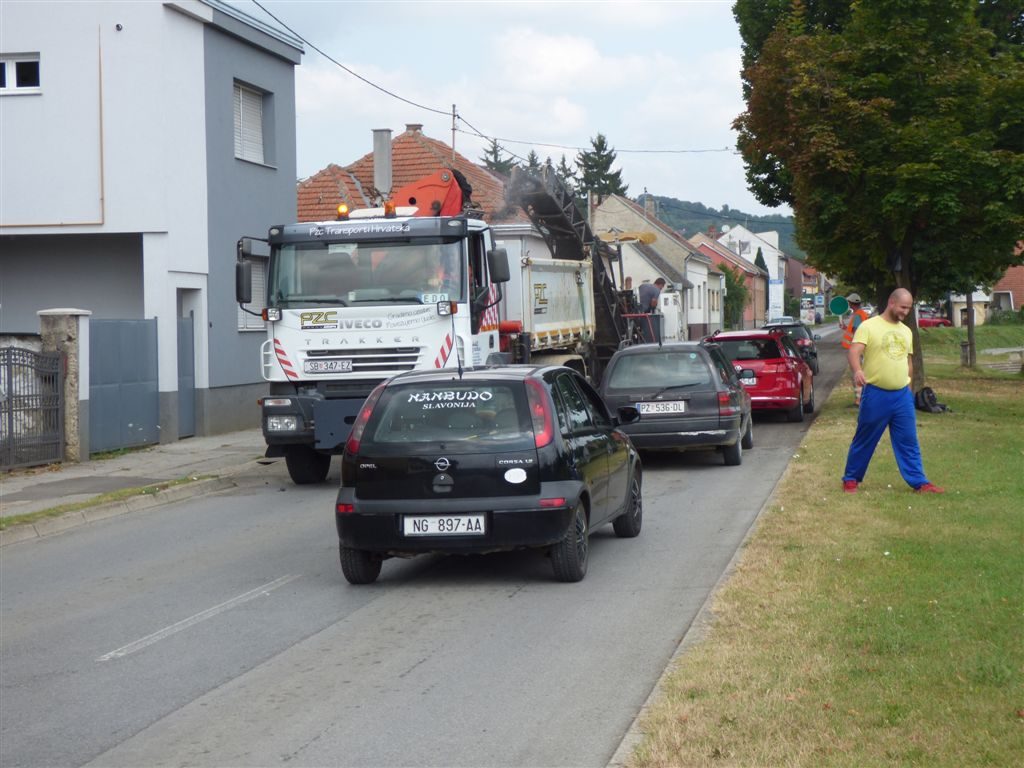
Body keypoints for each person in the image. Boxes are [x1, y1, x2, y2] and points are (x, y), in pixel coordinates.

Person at [841, 288, 944, 495]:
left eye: (909, 308)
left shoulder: (906, 331)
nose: (906, 312)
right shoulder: (869, 326)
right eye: (903, 307)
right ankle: (851, 479)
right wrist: (858, 370)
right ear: (891, 302)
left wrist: (909, 390)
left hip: (902, 396)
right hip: (876, 393)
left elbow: (908, 362)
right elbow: (854, 352)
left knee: (908, 440)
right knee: (865, 438)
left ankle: (920, 482)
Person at [841, 293, 872, 405]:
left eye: (849, 302)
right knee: (860, 373)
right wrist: (845, 328)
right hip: (861, 348)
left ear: (852, 303)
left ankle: (859, 400)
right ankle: (861, 398)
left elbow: (857, 332)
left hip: (856, 349)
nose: (848, 304)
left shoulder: (858, 315)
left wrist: (855, 350)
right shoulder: (861, 314)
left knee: (857, 373)